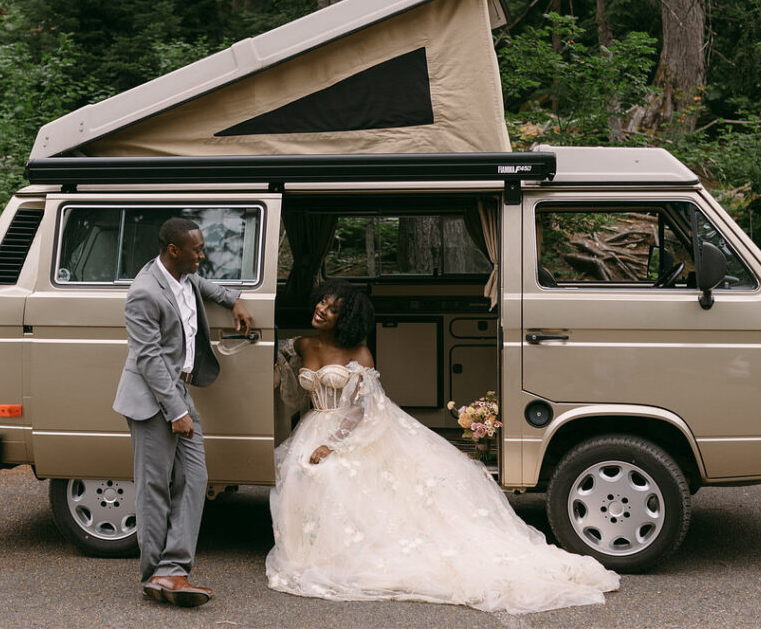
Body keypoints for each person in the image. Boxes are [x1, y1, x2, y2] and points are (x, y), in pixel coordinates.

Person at [267, 279, 619, 614]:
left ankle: (334, 554)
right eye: (322, 302)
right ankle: (310, 551)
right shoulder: (301, 344)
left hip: (347, 430)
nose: (322, 310)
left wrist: (332, 445)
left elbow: (362, 409)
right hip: (314, 423)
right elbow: (288, 378)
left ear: (347, 318)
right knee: (297, 471)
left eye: (333, 308)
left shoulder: (359, 352)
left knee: (331, 473)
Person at [113, 217, 252, 607]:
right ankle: (154, 575)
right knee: (155, 488)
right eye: (197, 250)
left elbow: (205, 285)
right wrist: (176, 410)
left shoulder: (186, 277)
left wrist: (233, 299)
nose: (202, 256)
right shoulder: (144, 292)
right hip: (152, 398)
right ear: (173, 250)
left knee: (194, 479)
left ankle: (173, 570)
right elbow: (148, 358)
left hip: (180, 389)